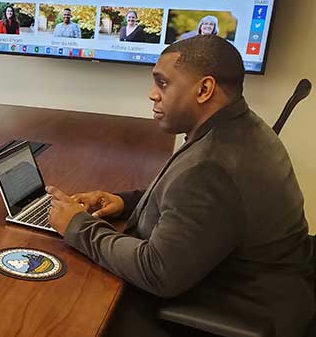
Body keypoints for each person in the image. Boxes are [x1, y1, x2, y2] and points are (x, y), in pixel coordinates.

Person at [47, 35, 315, 337]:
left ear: (204, 90)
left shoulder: (212, 164)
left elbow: (157, 271)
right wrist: (125, 201)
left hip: (231, 305)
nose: (152, 95)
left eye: (163, 83)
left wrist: (77, 227)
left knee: (65, 310)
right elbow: (191, 204)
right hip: (268, 289)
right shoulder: (241, 128)